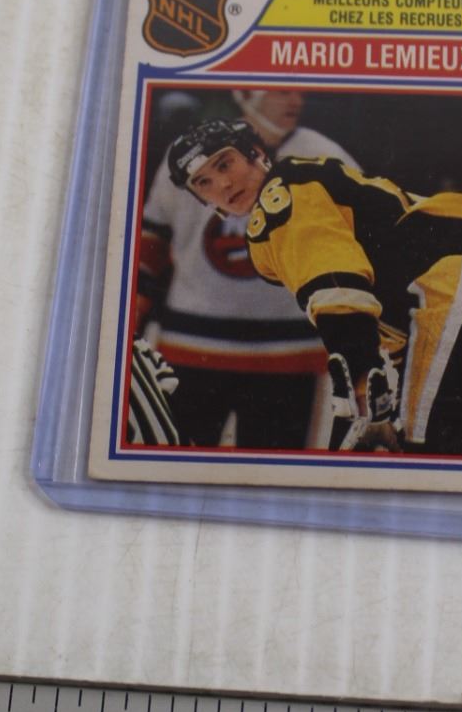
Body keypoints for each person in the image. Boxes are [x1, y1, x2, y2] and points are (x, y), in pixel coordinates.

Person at [165, 118, 462, 456]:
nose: (223, 184)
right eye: (204, 182)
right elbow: (388, 303)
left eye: (225, 164)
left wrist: (361, 383)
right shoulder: (302, 178)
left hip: (457, 278)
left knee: (429, 446)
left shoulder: (279, 196)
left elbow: (336, 286)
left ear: (255, 152)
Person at [136, 91, 357, 449]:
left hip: (289, 355)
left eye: (299, 90)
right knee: (175, 466)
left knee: (274, 474)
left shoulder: (325, 154)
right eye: (281, 90)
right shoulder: (185, 157)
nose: (295, 100)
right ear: (244, 91)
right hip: (190, 347)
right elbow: (152, 242)